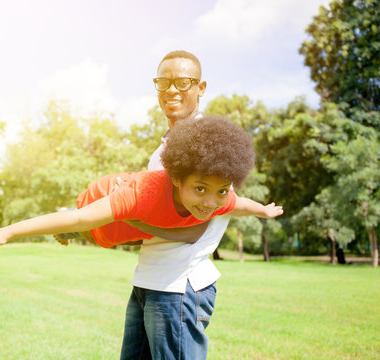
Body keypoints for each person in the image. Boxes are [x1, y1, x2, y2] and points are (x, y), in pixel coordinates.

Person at [0, 115, 282, 249]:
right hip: (103, 196)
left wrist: (263, 212)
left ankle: (78, 233)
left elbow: (239, 205)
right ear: (176, 178)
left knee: (100, 235)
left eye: (220, 190)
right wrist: (9, 231)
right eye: (200, 189)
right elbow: (80, 216)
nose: (211, 202)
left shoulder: (219, 198)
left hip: (118, 230)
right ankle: (67, 225)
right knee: (82, 221)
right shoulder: (143, 195)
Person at [118, 50, 241, 360]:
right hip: (148, 279)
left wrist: (129, 217)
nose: (171, 90)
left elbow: (194, 229)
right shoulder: (162, 150)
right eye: (164, 81)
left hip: (179, 287)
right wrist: (88, 226)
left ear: (201, 88)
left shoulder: (211, 143)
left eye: (183, 82)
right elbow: (153, 220)